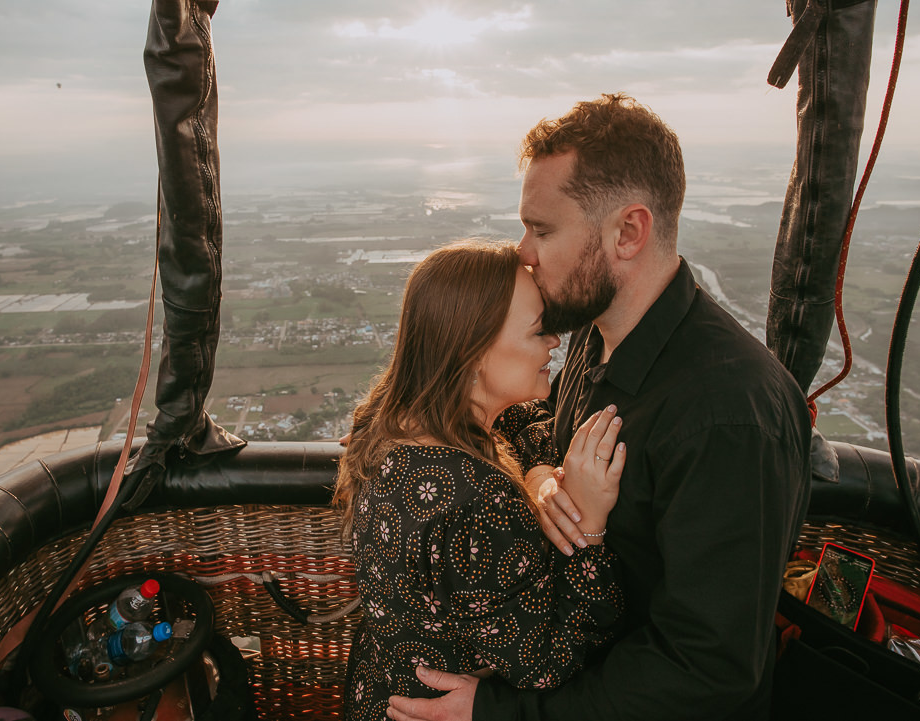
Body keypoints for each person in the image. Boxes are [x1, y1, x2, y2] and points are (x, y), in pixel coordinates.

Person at [385, 95, 812, 721]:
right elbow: (539, 435)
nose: (524, 250)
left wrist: (502, 713)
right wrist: (536, 480)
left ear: (628, 232)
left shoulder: (728, 415)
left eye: (544, 228)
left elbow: (707, 669)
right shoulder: (597, 332)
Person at [333, 239, 628, 721]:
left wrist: (536, 472)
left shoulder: (389, 425)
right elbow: (548, 664)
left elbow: (526, 419)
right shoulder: (475, 497)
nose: (555, 341)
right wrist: (589, 530)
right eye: (539, 330)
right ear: (473, 354)